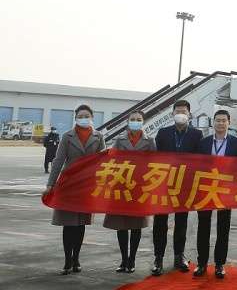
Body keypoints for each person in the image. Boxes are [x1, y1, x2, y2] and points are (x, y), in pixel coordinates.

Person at [46, 105, 105, 274]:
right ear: (76, 118)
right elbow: (58, 160)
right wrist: (51, 184)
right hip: (69, 185)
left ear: (92, 117)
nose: (83, 118)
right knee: (68, 223)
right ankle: (67, 260)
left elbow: (103, 162)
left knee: (80, 224)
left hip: (87, 186)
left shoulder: (98, 136)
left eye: (86, 115)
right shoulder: (67, 136)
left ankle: (76, 259)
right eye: (80, 116)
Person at [152, 100, 203, 275]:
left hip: (184, 185)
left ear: (189, 114)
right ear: (173, 114)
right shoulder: (163, 133)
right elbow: (155, 158)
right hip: (163, 184)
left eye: (184, 111)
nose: (181, 114)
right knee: (160, 222)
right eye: (178, 111)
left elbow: (200, 160)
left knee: (181, 222)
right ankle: (158, 258)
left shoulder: (197, 135)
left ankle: (178, 256)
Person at [194, 110, 237, 278]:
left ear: (229, 123)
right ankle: (201, 264)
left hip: (225, 191)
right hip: (206, 190)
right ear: (213, 123)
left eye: (224, 121)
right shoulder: (203, 143)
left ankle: (220, 264)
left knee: (223, 228)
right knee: (203, 227)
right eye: (218, 120)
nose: (221, 123)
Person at [104, 111, 154, 273]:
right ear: (127, 122)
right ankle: (123, 259)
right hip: (121, 186)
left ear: (143, 122)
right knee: (122, 225)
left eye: (138, 120)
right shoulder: (119, 140)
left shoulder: (150, 141)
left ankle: (132, 259)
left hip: (139, 188)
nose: (135, 122)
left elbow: (155, 164)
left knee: (136, 226)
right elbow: (111, 160)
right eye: (132, 119)